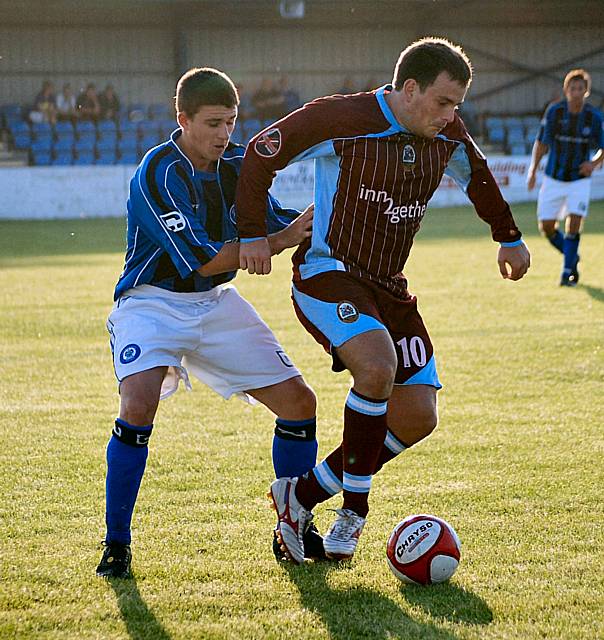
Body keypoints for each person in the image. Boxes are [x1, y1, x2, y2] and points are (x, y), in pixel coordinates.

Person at [237, 37, 530, 563]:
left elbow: (479, 176)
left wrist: (507, 235)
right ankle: (353, 512)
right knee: (376, 367)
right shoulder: (342, 117)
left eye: (457, 106)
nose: (450, 115)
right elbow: (261, 154)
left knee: (418, 415)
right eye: (443, 102)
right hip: (327, 273)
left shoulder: (447, 135)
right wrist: (254, 233)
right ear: (410, 88)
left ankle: (298, 495)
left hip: (389, 286)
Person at [96, 67, 327, 579]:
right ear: (183, 120)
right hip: (150, 304)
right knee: (138, 404)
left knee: (299, 403)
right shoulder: (158, 170)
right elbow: (201, 257)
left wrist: (322, 223)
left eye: (231, 121)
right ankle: (116, 545)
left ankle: (293, 524)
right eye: (213, 123)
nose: (225, 133)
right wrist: (280, 240)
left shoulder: (238, 163)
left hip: (214, 303)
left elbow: (267, 221)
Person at [527, 69, 603, 286]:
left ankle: (567, 272)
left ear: (586, 91)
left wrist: (593, 163)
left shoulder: (594, 117)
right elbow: (542, 143)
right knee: (547, 227)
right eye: (572, 88)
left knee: (574, 222)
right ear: (566, 90)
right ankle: (572, 256)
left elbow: (603, 147)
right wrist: (533, 171)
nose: (576, 92)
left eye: (580, 88)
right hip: (553, 178)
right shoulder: (555, 112)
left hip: (579, 180)